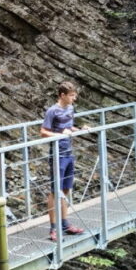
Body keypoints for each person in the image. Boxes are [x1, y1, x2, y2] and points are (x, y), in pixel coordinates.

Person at [41, 80, 85, 241]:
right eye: (72, 96)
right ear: (62, 95)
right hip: (57, 154)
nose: (74, 98)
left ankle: (65, 224)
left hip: (69, 153)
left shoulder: (71, 108)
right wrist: (60, 135)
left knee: (66, 189)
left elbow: (69, 127)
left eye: (75, 95)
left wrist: (79, 130)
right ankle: (53, 229)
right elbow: (44, 132)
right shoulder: (52, 111)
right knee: (55, 191)